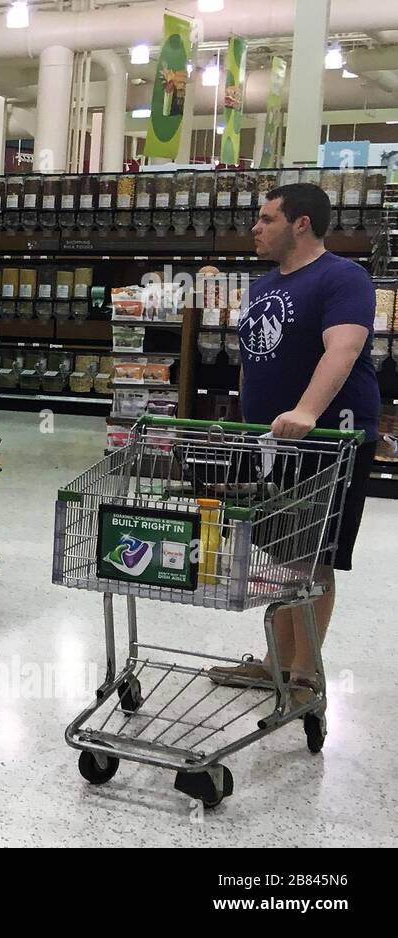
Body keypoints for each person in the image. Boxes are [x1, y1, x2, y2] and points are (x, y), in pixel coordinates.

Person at [207, 182, 379, 707]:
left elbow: (344, 348)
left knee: (315, 558)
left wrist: (306, 411)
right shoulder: (261, 286)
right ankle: (274, 663)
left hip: (332, 440)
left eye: (266, 219)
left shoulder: (344, 277)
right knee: (284, 553)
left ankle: (306, 677)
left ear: (300, 223)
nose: (255, 228)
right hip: (272, 443)